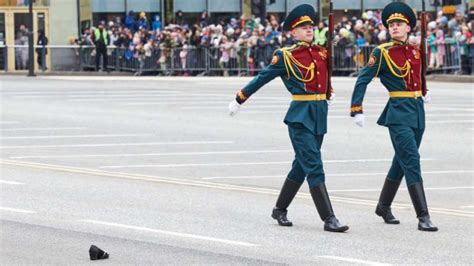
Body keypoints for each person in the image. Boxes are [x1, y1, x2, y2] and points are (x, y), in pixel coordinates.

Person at [228, 4, 349, 233]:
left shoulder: (322, 52)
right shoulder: (286, 56)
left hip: (319, 116)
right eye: (303, 27)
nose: (309, 29)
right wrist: (240, 98)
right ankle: (329, 218)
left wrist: (327, 94)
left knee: (301, 167)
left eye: (310, 26)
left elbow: (324, 78)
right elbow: (262, 78)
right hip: (300, 118)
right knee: (314, 166)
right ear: (292, 32)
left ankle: (279, 209)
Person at [350, 2, 438, 232]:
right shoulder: (382, 52)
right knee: (412, 161)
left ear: (409, 28)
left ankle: (383, 206)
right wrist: (356, 108)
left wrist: (424, 91)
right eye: (391, 24)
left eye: (399, 24)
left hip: (417, 112)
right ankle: (423, 216)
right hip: (398, 113)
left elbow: (418, 78)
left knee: (401, 162)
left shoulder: (416, 51)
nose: (395, 27)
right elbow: (363, 79)